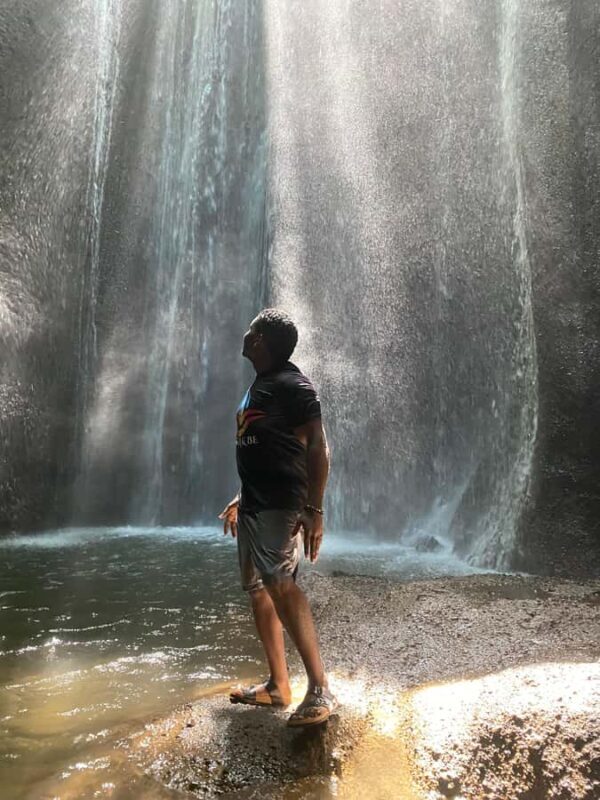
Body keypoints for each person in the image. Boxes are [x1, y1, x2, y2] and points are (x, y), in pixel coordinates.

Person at [219, 308, 338, 727]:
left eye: (251, 330)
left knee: (280, 585)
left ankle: (321, 689)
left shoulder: (294, 384)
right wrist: (239, 496)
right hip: (253, 504)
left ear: (261, 342)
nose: (245, 334)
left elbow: (318, 447)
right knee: (258, 589)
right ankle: (278, 685)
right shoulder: (262, 385)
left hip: (280, 505)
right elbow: (264, 445)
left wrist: (314, 509)